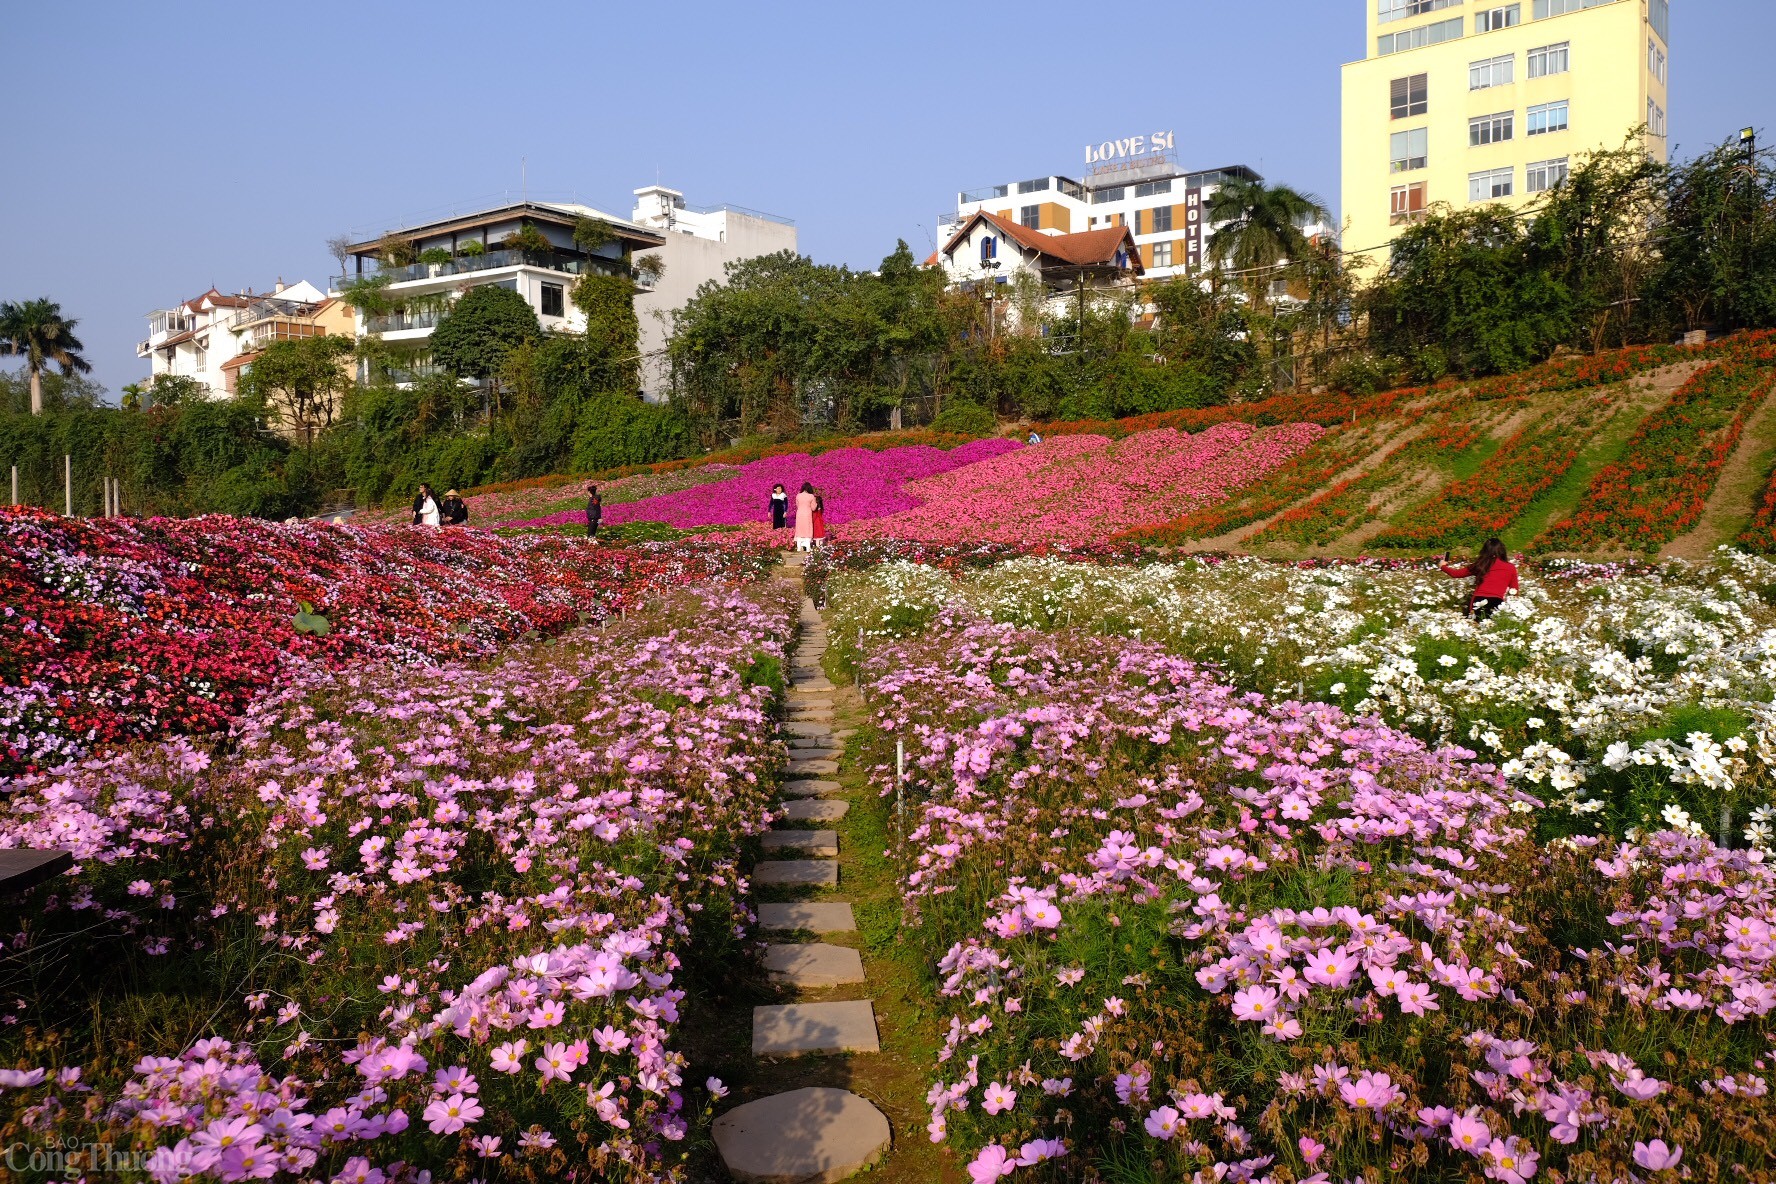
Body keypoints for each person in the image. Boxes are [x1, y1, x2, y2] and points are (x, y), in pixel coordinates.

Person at [1440, 538, 1520, 620]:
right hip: (1496, 602)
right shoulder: (1510, 567)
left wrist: (1443, 566)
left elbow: (1455, 574)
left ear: (1485, 550)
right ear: (1502, 550)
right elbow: (1514, 590)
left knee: (1476, 624)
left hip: (1478, 600)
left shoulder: (1481, 564)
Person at [793, 482, 817, 552]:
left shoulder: (798, 495)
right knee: (807, 529)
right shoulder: (811, 496)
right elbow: (813, 508)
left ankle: (798, 547)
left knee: (799, 528)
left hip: (799, 513)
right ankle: (808, 547)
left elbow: (797, 505)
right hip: (807, 514)